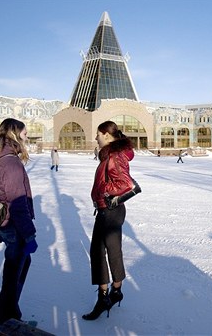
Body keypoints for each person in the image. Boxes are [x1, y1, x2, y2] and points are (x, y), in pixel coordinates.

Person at [0, 118, 38, 331]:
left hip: (5, 223)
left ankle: (7, 316)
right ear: (14, 134)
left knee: (17, 268)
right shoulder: (10, 162)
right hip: (14, 225)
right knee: (14, 273)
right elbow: (18, 203)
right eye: (24, 133)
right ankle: (2, 321)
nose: (26, 137)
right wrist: (29, 236)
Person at [83, 120, 135, 320]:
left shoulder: (113, 156)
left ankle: (104, 297)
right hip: (110, 210)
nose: (95, 137)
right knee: (110, 251)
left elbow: (125, 183)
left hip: (110, 210)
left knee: (98, 252)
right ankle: (115, 291)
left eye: (98, 134)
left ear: (106, 134)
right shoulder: (112, 154)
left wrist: (104, 192)